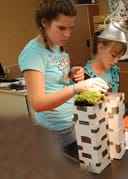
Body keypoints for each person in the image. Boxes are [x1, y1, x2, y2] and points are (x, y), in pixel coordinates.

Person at [18, 0, 108, 161]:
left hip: (71, 123)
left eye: (70, 28)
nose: (67, 34)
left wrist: (71, 74)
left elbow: (56, 80)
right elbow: (38, 103)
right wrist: (77, 88)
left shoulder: (57, 45)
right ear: (44, 22)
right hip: (54, 132)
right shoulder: (33, 53)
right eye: (61, 28)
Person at [84, 25, 128, 92]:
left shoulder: (113, 71)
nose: (116, 61)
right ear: (100, 48)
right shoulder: (85, 75)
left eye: (119, 57)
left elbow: (116, 96)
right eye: (113, 55)